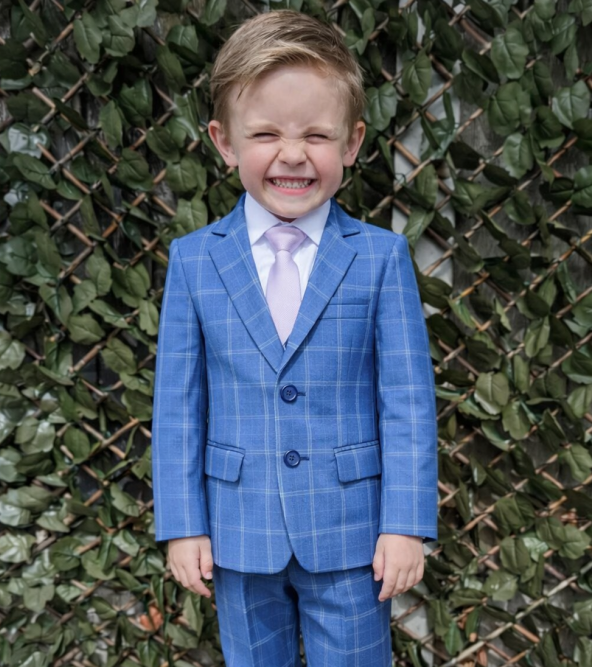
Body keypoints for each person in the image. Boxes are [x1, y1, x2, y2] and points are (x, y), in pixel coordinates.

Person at [151, 10, 438, 667]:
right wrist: (183, 524)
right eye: (265, 134)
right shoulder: (195, 261)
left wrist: (405, 523)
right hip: (236, 529)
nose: (292, 154)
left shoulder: (380, 258)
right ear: (224, 142)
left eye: (316, 134)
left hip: (351, 533)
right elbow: (177, 408)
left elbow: (407, 402)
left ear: (352, 142)